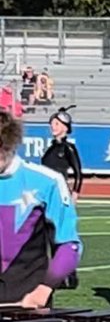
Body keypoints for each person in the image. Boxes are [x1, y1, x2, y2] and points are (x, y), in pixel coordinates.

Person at [0, 110, 82, 307]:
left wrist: (44, 289)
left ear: (7, 145)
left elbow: (69, 244)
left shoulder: (47, 182)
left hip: (27, 305)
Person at [40, 105, 83, 290]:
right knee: (49, 233)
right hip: (47, 194)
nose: (53, 126)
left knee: (61, 234)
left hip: (61, 194)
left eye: (57, 123)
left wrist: (75, 193)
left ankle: (69, 274)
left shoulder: (68, 148)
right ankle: (60, 273)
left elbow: (78, 172)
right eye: (52, 123)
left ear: (65, 127)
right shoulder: (51, 149)